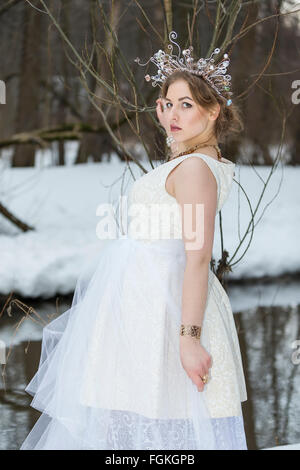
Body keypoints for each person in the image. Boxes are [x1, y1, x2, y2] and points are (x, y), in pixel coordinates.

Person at [20, 31, 247, 450]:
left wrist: (189, 337)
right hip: (140, 309)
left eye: (187, 105)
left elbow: (198, 258)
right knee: (129, 424)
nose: (173, 114)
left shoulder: (196, 168)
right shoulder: (188, 160)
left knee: (157, 423)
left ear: (214, 111)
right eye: (167, 104)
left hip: (164, 310)